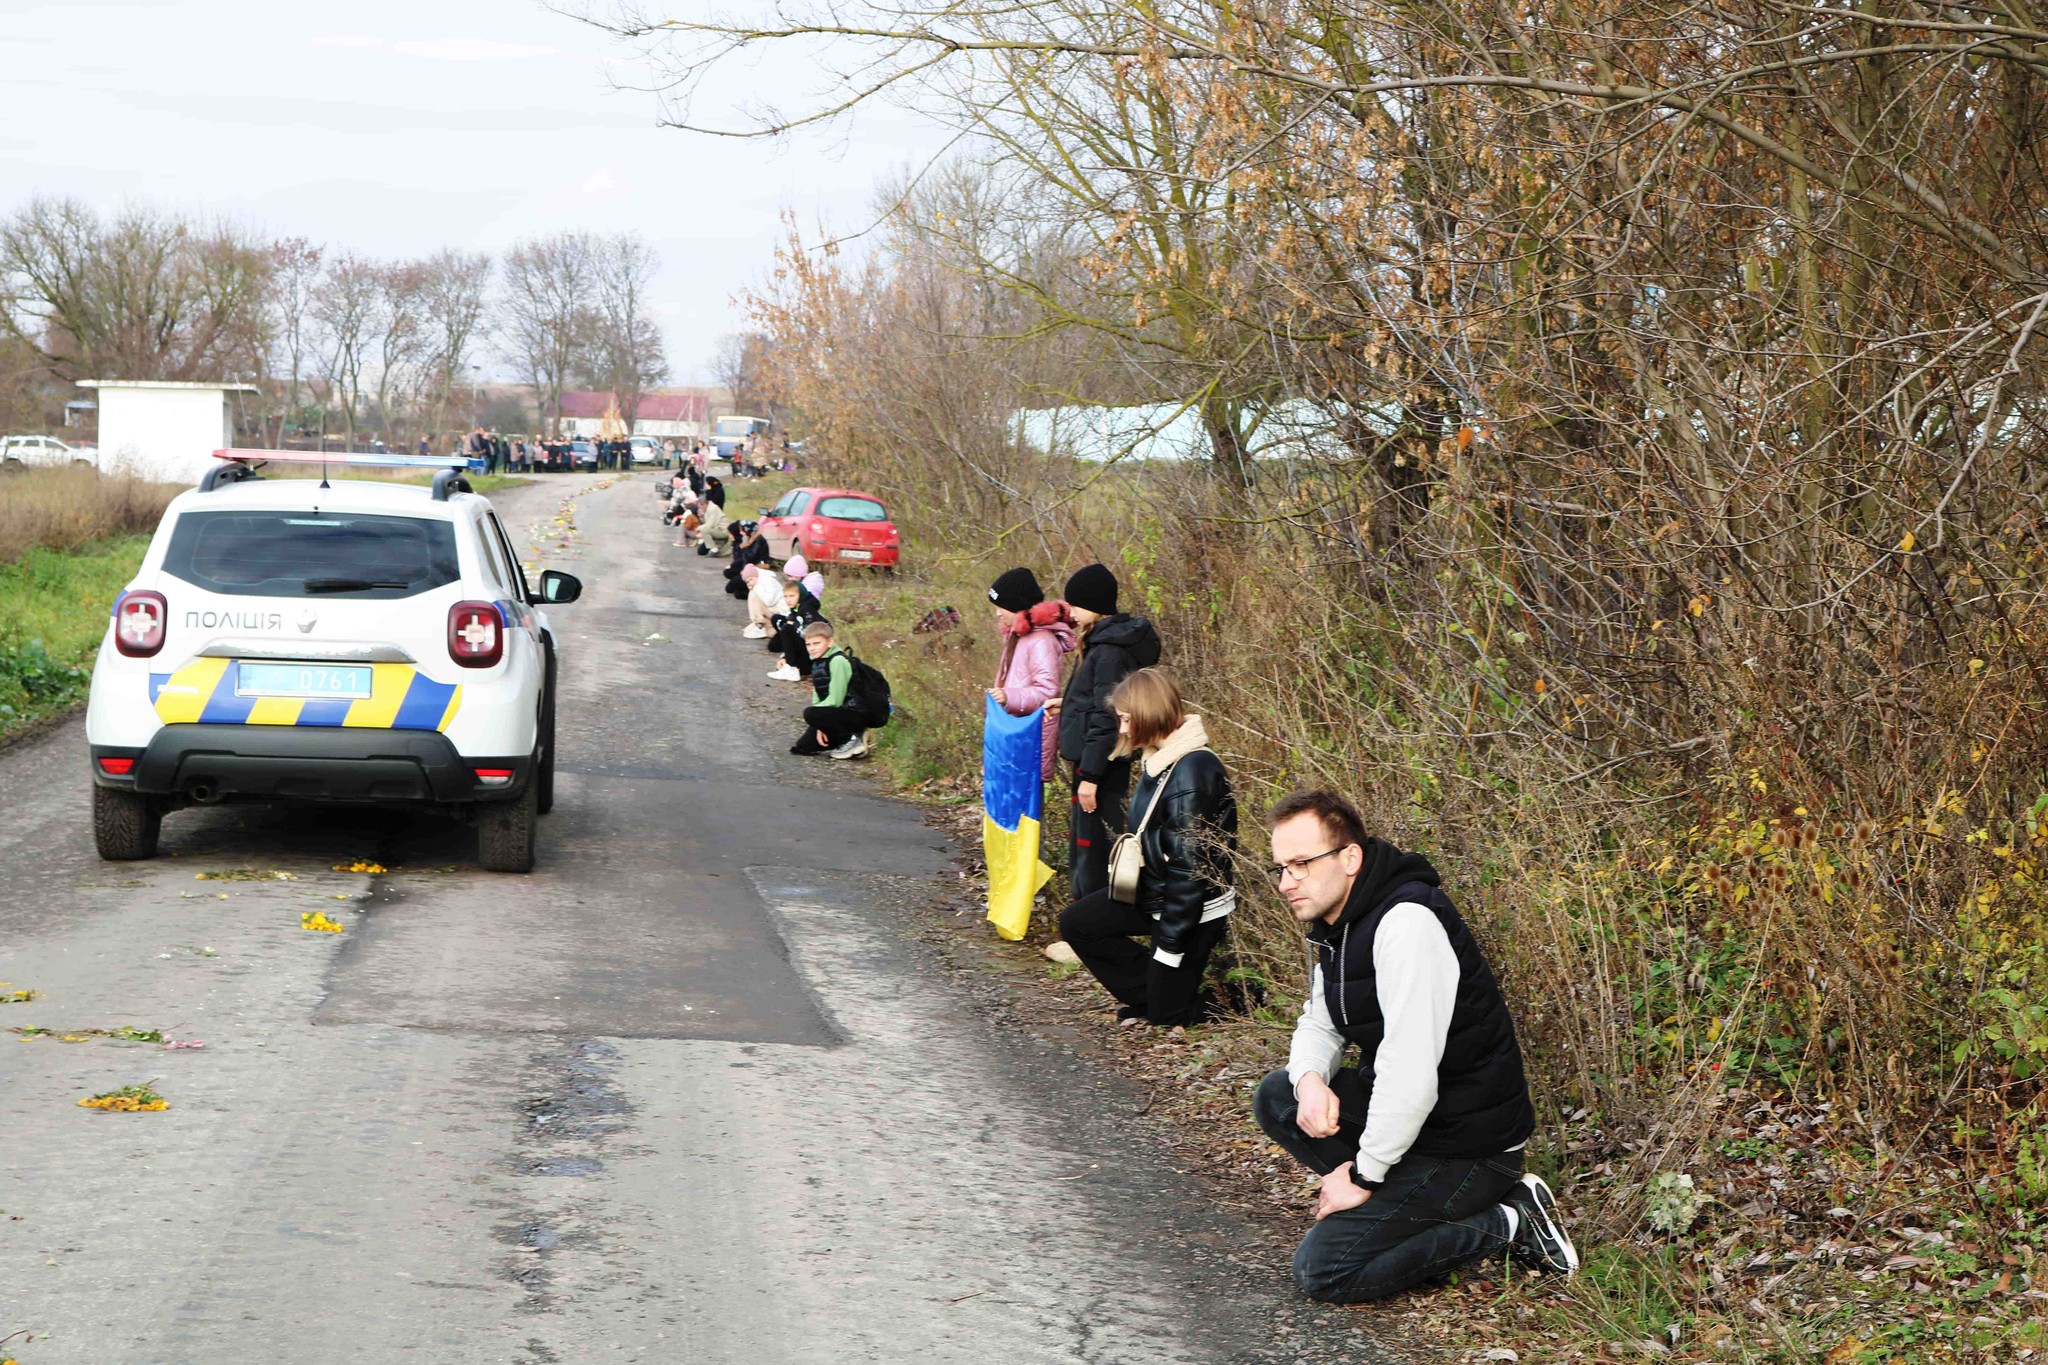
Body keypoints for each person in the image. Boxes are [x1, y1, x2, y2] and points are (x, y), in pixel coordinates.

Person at [1252, 789, 1576, 1304]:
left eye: (1300, 864)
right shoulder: (1340, 923)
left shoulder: (1406, 924)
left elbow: (1410, 1073)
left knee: (1326, 1271)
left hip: (1470, 1145)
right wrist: (1311, 1080)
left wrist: (1362, 1175)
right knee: (1280, 1095)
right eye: (1280, 868)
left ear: (1349, 858)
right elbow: (1320, 1020)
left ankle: (1508, 1221)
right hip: (1422, 1124)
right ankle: (1401, 1200)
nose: (1286, 882)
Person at [1058, 668, 1234, 1028]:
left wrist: (1169, 946)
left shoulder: (1192, 769)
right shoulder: (1161, 760)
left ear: (1148, 712)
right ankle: (1153, 995)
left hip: (1192, 910)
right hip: (1155, 892)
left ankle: (1234, 999)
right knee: (1077, 922)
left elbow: (1191, 871)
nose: (1122, 729)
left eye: (1126, 718)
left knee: (1169, 1016)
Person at [1053, 565, 1162, 901]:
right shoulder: (1101, 643)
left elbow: (1108, 715)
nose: (1069, 613)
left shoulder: (1109, 651)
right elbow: (1095, 699)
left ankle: (1089, 920)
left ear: (1094, 605)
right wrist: (1068, 703)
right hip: (1094, 763)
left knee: (1095, 847)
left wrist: (1090, 777)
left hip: (1100, 767)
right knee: (1085, 843)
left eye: (1074, 605)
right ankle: (1081, 917)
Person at [986, 567, 1074, 783]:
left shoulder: (1041, 640)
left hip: (1028, 739)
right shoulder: (1018, 635)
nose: (998, 613)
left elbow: (1047, 692)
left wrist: (1009, 697)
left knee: (1022, 810)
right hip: (1012, 734)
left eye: (1001, 607)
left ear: (1017, 608)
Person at [790, 620, 868, 759]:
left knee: (810, 713)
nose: (812, 648)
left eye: (816, 643)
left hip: (853, 712)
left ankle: (852, 740)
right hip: (833, 714)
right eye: (808, 644)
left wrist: (818, 718)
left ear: (830, 642)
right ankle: (845, 739)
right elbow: (818, 694)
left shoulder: (838, 661)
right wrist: (820, 724)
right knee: (802, 747)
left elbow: (835, 700)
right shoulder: (818, 661)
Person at [767, 574, 825, 680]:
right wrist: (786, 657)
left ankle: (792, 669)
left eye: (792, 596)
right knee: (779, 621)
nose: (788, 600)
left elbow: (810, 636)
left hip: (811, 659)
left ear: (801, 595)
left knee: (787, 629)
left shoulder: (807, 610)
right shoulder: (797, 608)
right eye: (786, 597)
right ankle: (789, 662)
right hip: (805, 654)